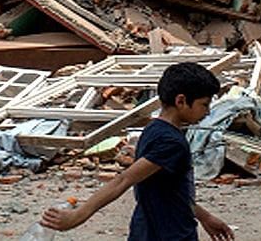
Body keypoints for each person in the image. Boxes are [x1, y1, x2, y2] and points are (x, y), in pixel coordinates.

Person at [40, 62, 234, 240]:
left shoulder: (153, 129)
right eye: (204, 104)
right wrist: (77, 216)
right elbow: (123, 180)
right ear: (181, 101)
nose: (208, 111)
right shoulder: (171, 143)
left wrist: (205, 217)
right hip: (169, 234)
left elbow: (170, 191)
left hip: (147, 229)